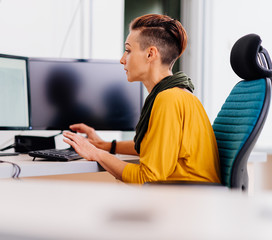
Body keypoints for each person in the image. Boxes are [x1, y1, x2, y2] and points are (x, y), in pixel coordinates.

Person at [63, 14, 221, 184]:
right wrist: (104, 145)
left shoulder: (169, 99)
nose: (122, 59)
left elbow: (148, 178)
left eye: (128, 50)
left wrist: (97, 154)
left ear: (150, 54)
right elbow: (153, 147)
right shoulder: (174, 93)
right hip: (185, 195)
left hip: (186, 200)